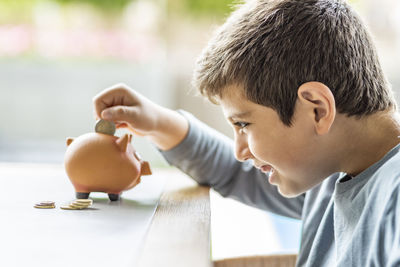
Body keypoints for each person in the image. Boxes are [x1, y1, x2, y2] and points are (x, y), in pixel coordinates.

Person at [93, 0, 400, 266]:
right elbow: (236, 172)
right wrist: (160, 123)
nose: (240, 150)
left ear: (317, 109)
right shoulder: (334, 169)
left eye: (243, 124)